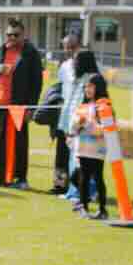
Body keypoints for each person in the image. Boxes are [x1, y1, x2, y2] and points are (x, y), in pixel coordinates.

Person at [0, 19, 43, 188]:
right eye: (8, 34)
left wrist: (31, 108)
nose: (11, 38)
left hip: (19, 106)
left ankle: (20, 179)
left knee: (20, 143)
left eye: (15, 35)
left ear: (23, 35)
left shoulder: (31, 54)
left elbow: (36, 84)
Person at [56, 47, 100, 201]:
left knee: (81, 162)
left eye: (76, 61)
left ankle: (81, 193)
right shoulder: (76, 79)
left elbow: (91, 107)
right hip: (72, 125)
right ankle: (77, 192)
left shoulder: (92, 81)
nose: (73, 63)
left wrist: (79, 127)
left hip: (86, 128)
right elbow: (69, 104)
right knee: (74, 161)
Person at [69, 72, 113, 219]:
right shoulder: (83, 106)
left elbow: (105, 130)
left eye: (91, 86)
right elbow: (73, 128)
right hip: (83, 149)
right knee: (84, 176)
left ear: (98, 87)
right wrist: (76, 125)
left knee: (98, 177)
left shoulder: (105, 106)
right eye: (86, 86)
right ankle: (84, 207)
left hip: (97, 150)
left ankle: (102, 209)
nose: (87, 89)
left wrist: (87, 123)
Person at [49, 32, 81, 194]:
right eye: (66, 47)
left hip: (81, 118)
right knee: (61, 154)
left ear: (79, 46)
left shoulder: (89, 65)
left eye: (72, 47)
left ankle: (78, 187)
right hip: (65, 116)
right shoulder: (64, 66)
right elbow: (61, 87)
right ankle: (59, 185)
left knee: (78, 155)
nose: (69, 50)